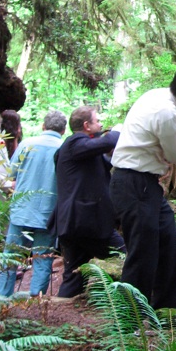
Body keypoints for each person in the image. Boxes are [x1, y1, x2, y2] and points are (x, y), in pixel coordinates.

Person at [110, 63, 176, 309]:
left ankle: (166, 311)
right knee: (142, 254)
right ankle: (131, 319)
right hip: (135, 183)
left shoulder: (156, 95)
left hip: (144, 185)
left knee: (170, 248)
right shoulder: (168, 113)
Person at [51, 106, 125, 298]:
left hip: (78, 223)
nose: (100, 124)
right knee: (126, 255)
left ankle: (59, 318)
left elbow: (105, 160)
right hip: (85, 223)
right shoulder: (74, 143)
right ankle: (134, 307)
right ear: (86, 125)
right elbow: (110, 140)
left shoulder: (81, 149)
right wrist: (119, 130)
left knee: (73, 277)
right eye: (97, 120)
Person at [0, 110, 67, 298]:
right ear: (63, 130)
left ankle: (2, 298)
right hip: (48, 214)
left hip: (21, 210)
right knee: (42, 258)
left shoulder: (26, 145)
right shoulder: (63, 148)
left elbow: (10, 174)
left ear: (43, 126)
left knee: (9, 257)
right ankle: (36, 301)